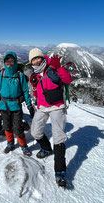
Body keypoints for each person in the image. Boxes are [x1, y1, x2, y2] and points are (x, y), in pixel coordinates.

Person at [29, 48, 72, 187]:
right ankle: (46, 148)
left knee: (58, 136)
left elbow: (68, 79)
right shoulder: (35, 75)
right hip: (42, 107)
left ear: (42, 57)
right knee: (35, 131)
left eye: (37, 58)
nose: (36, 61)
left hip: (57, 106)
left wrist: (59, 67)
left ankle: (60, 172)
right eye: (33, 60)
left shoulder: (52, 68)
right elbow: (37, 92)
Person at [0, 51, 35, 156]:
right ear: (4, 62)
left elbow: (25, 91)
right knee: (7, 127)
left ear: (15, 62)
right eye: (7, 62)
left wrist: (29, 105)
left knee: (18, 128)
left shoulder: (19, 75)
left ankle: (24, 146)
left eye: (12, 61)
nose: (9, 64)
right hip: (3, 106)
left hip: (16, 106)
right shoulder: (1, 74)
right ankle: (10, 144)